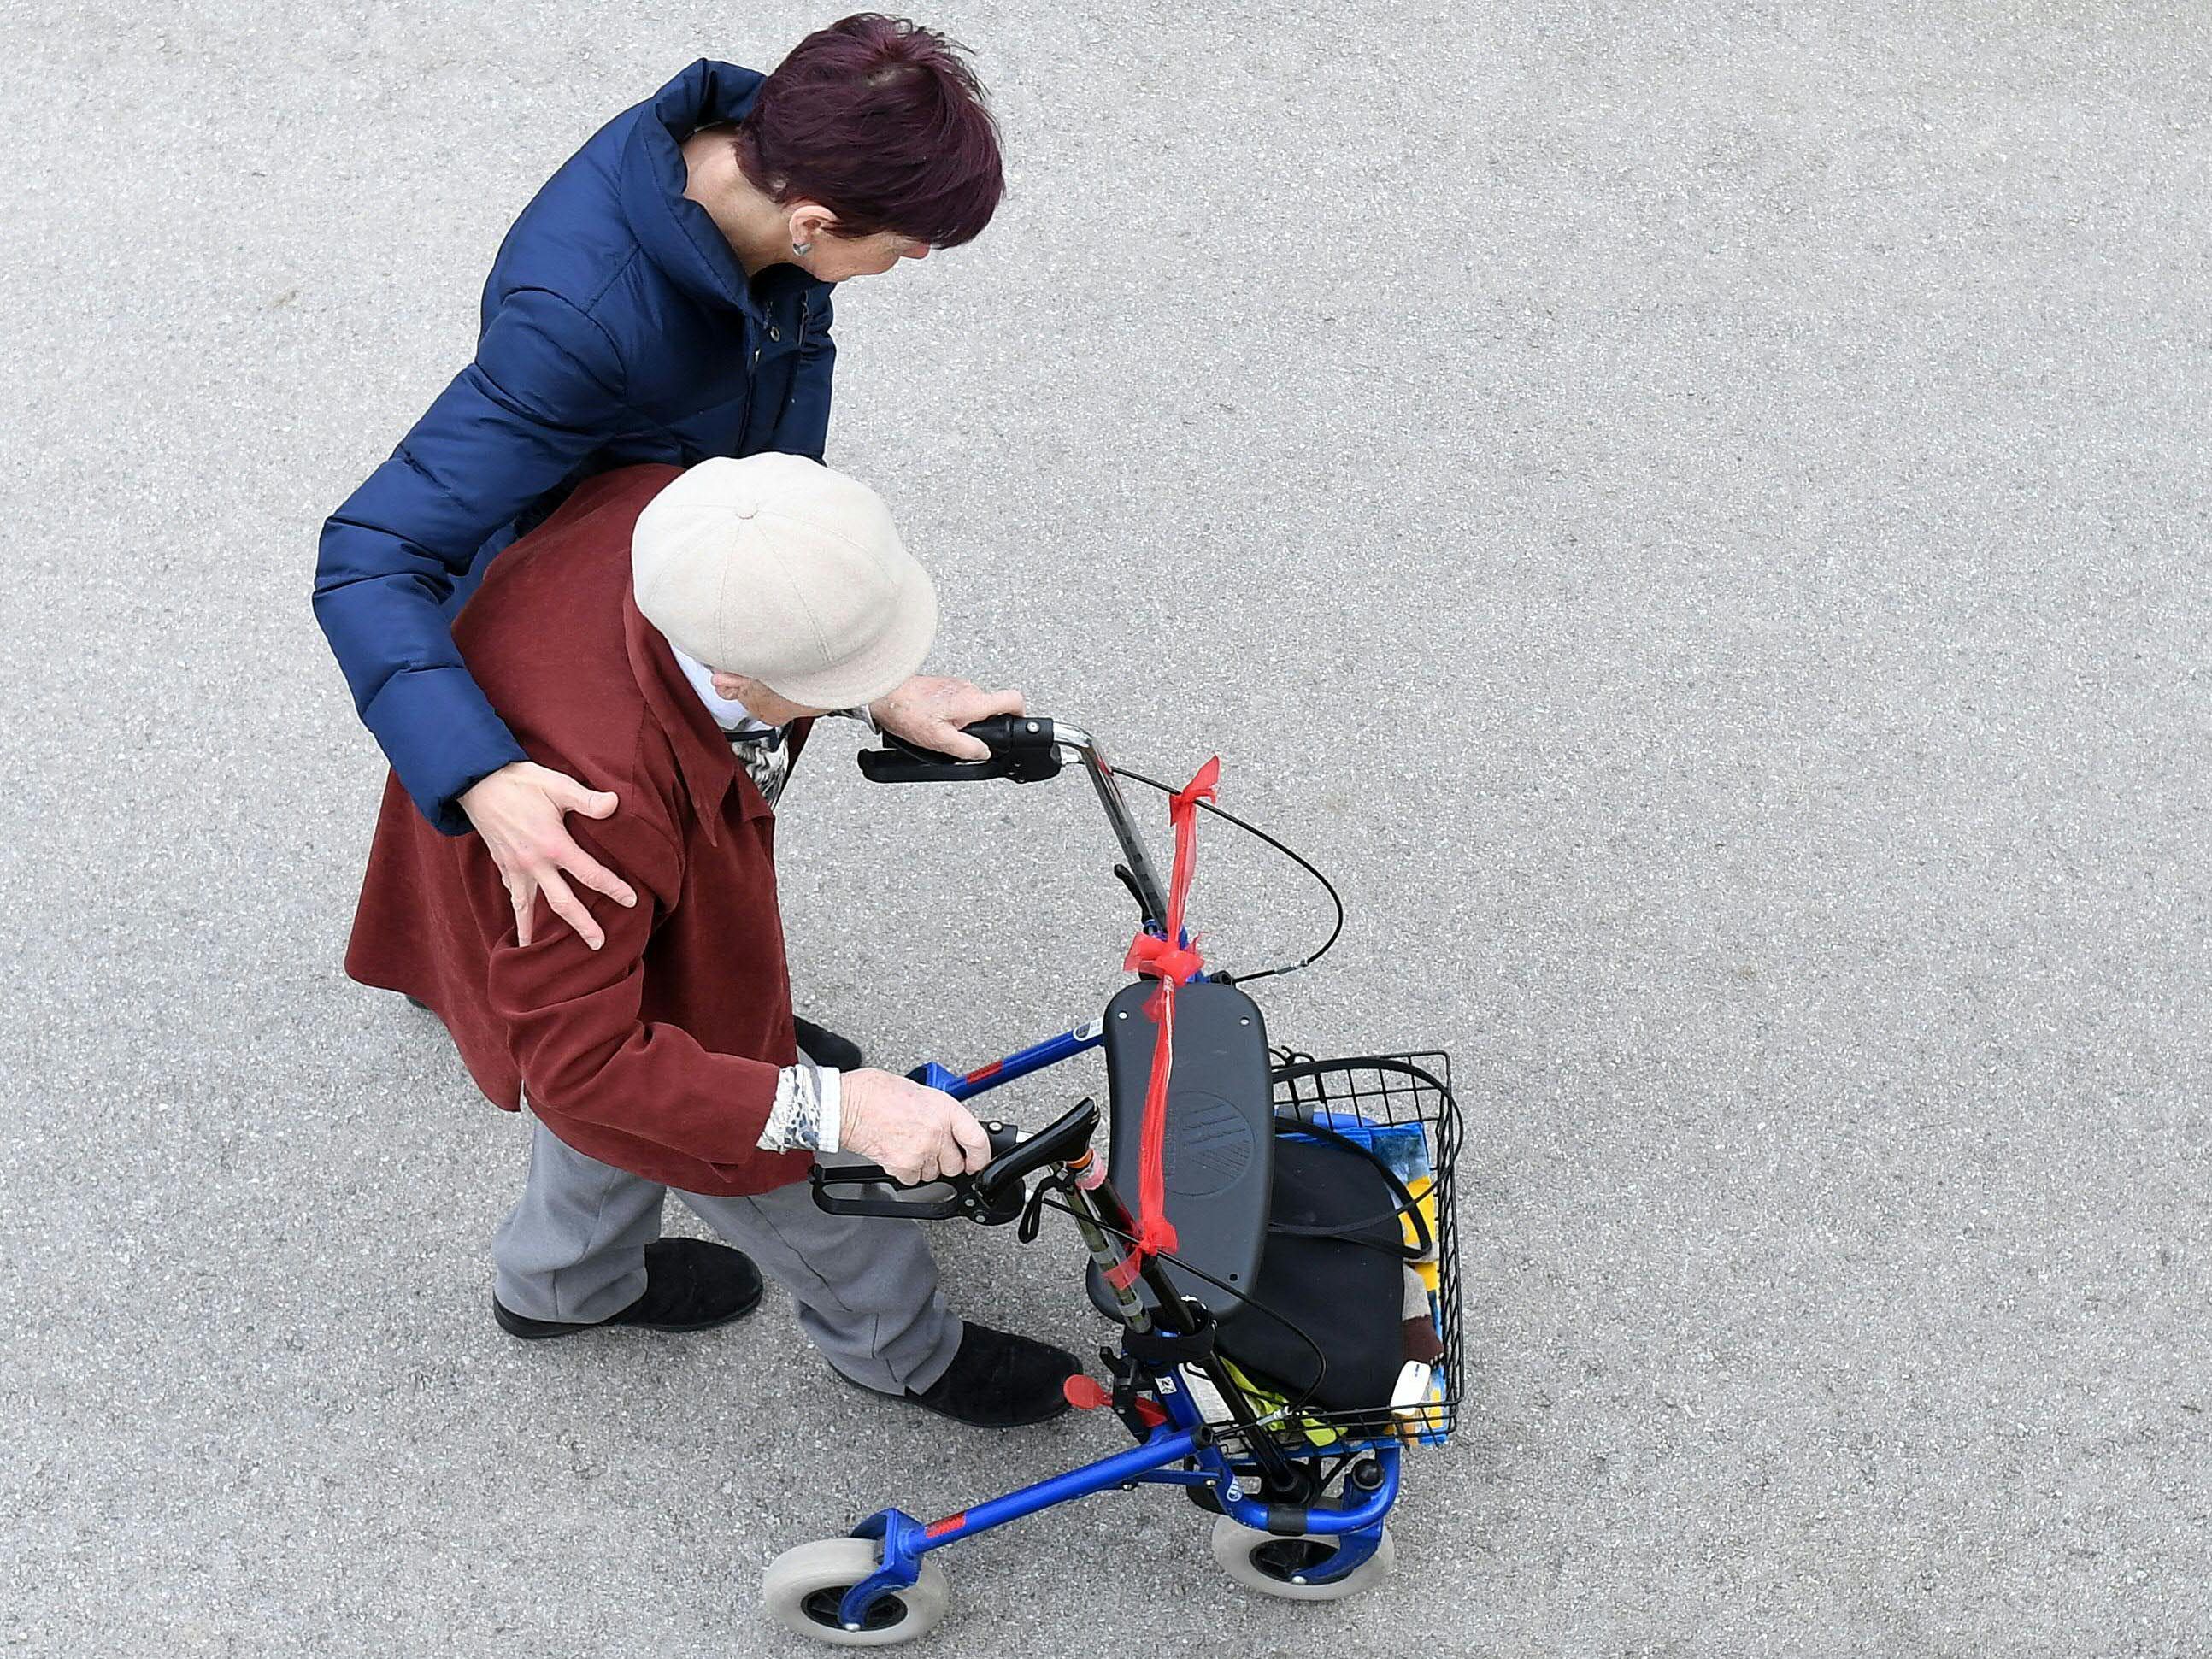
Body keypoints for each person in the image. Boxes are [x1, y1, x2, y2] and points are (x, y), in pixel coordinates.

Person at [345, 451, 1080, 1428]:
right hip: (582, 929)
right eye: (832, 678)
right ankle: (904, 1357)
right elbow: (583, 1063)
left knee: (615, 1116)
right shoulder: (601, 807)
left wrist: (876, 686)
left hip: (557, 934)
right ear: (736, 672)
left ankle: (562, 1286)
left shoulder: (678, 521)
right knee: (809, 1194)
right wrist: (835, 1112)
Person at [315, 17, 1013, 1005]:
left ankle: (698, 1019)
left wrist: (857, 666)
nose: (914, 263)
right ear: (811, 221)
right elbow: (369, 555)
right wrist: (481, 775)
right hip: (590, 611)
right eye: (904, 248)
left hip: (699, 577)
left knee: (699, 843)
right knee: (590, 876)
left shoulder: (764, 172)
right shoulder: (581, 325)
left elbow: (766, 454)